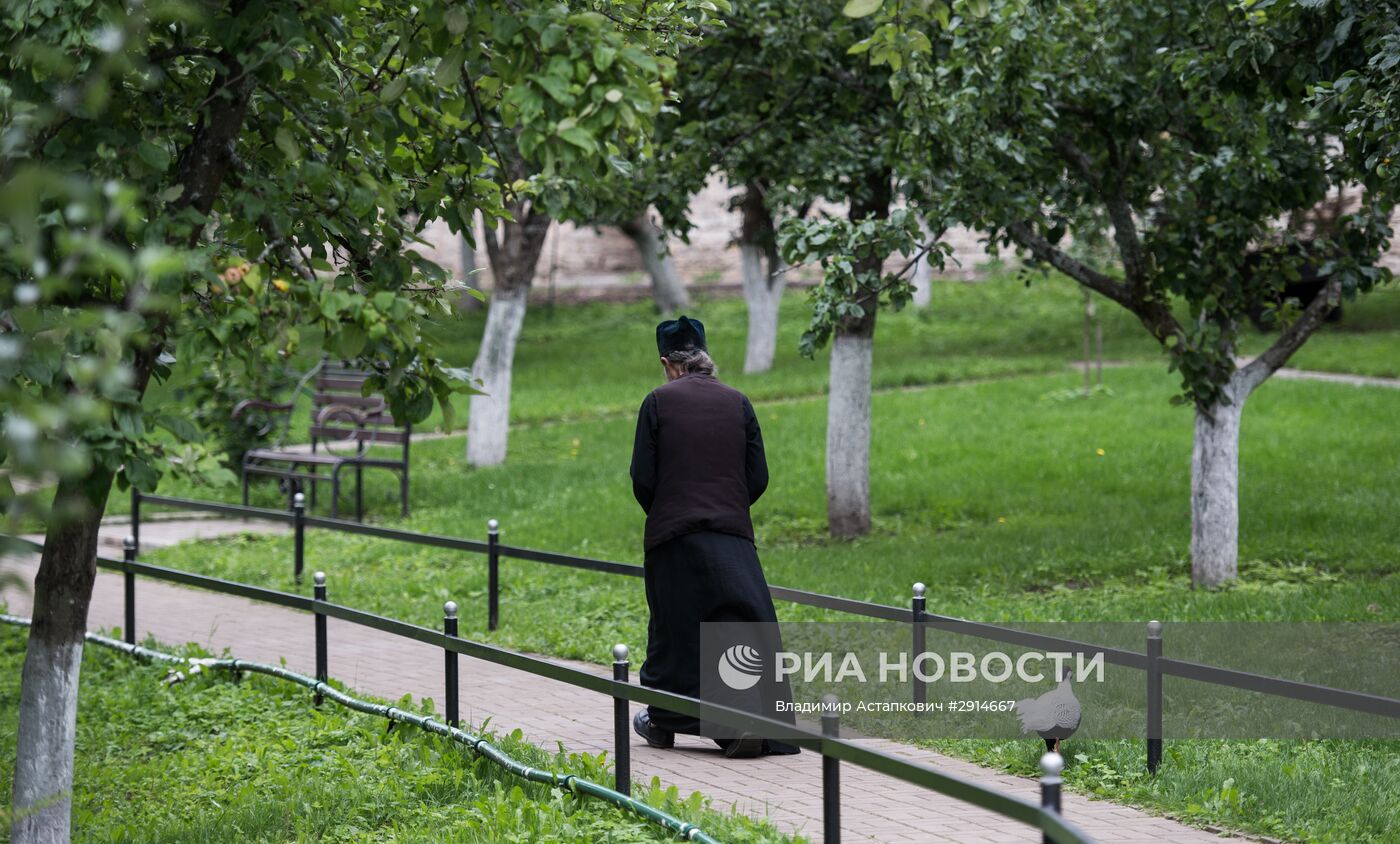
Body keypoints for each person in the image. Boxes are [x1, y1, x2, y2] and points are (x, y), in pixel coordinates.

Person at [628, 315, 798, 759]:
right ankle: (752, 716)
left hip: (674, 536)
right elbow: (757, 476)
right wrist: (728, 509)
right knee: (741, 622)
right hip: (733, 536)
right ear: (705, 357)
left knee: (676, 632)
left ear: (668, 363)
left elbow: (642, 478)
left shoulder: (658, 402)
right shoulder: (738, 402)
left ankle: (666, 719)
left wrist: (669, 511)